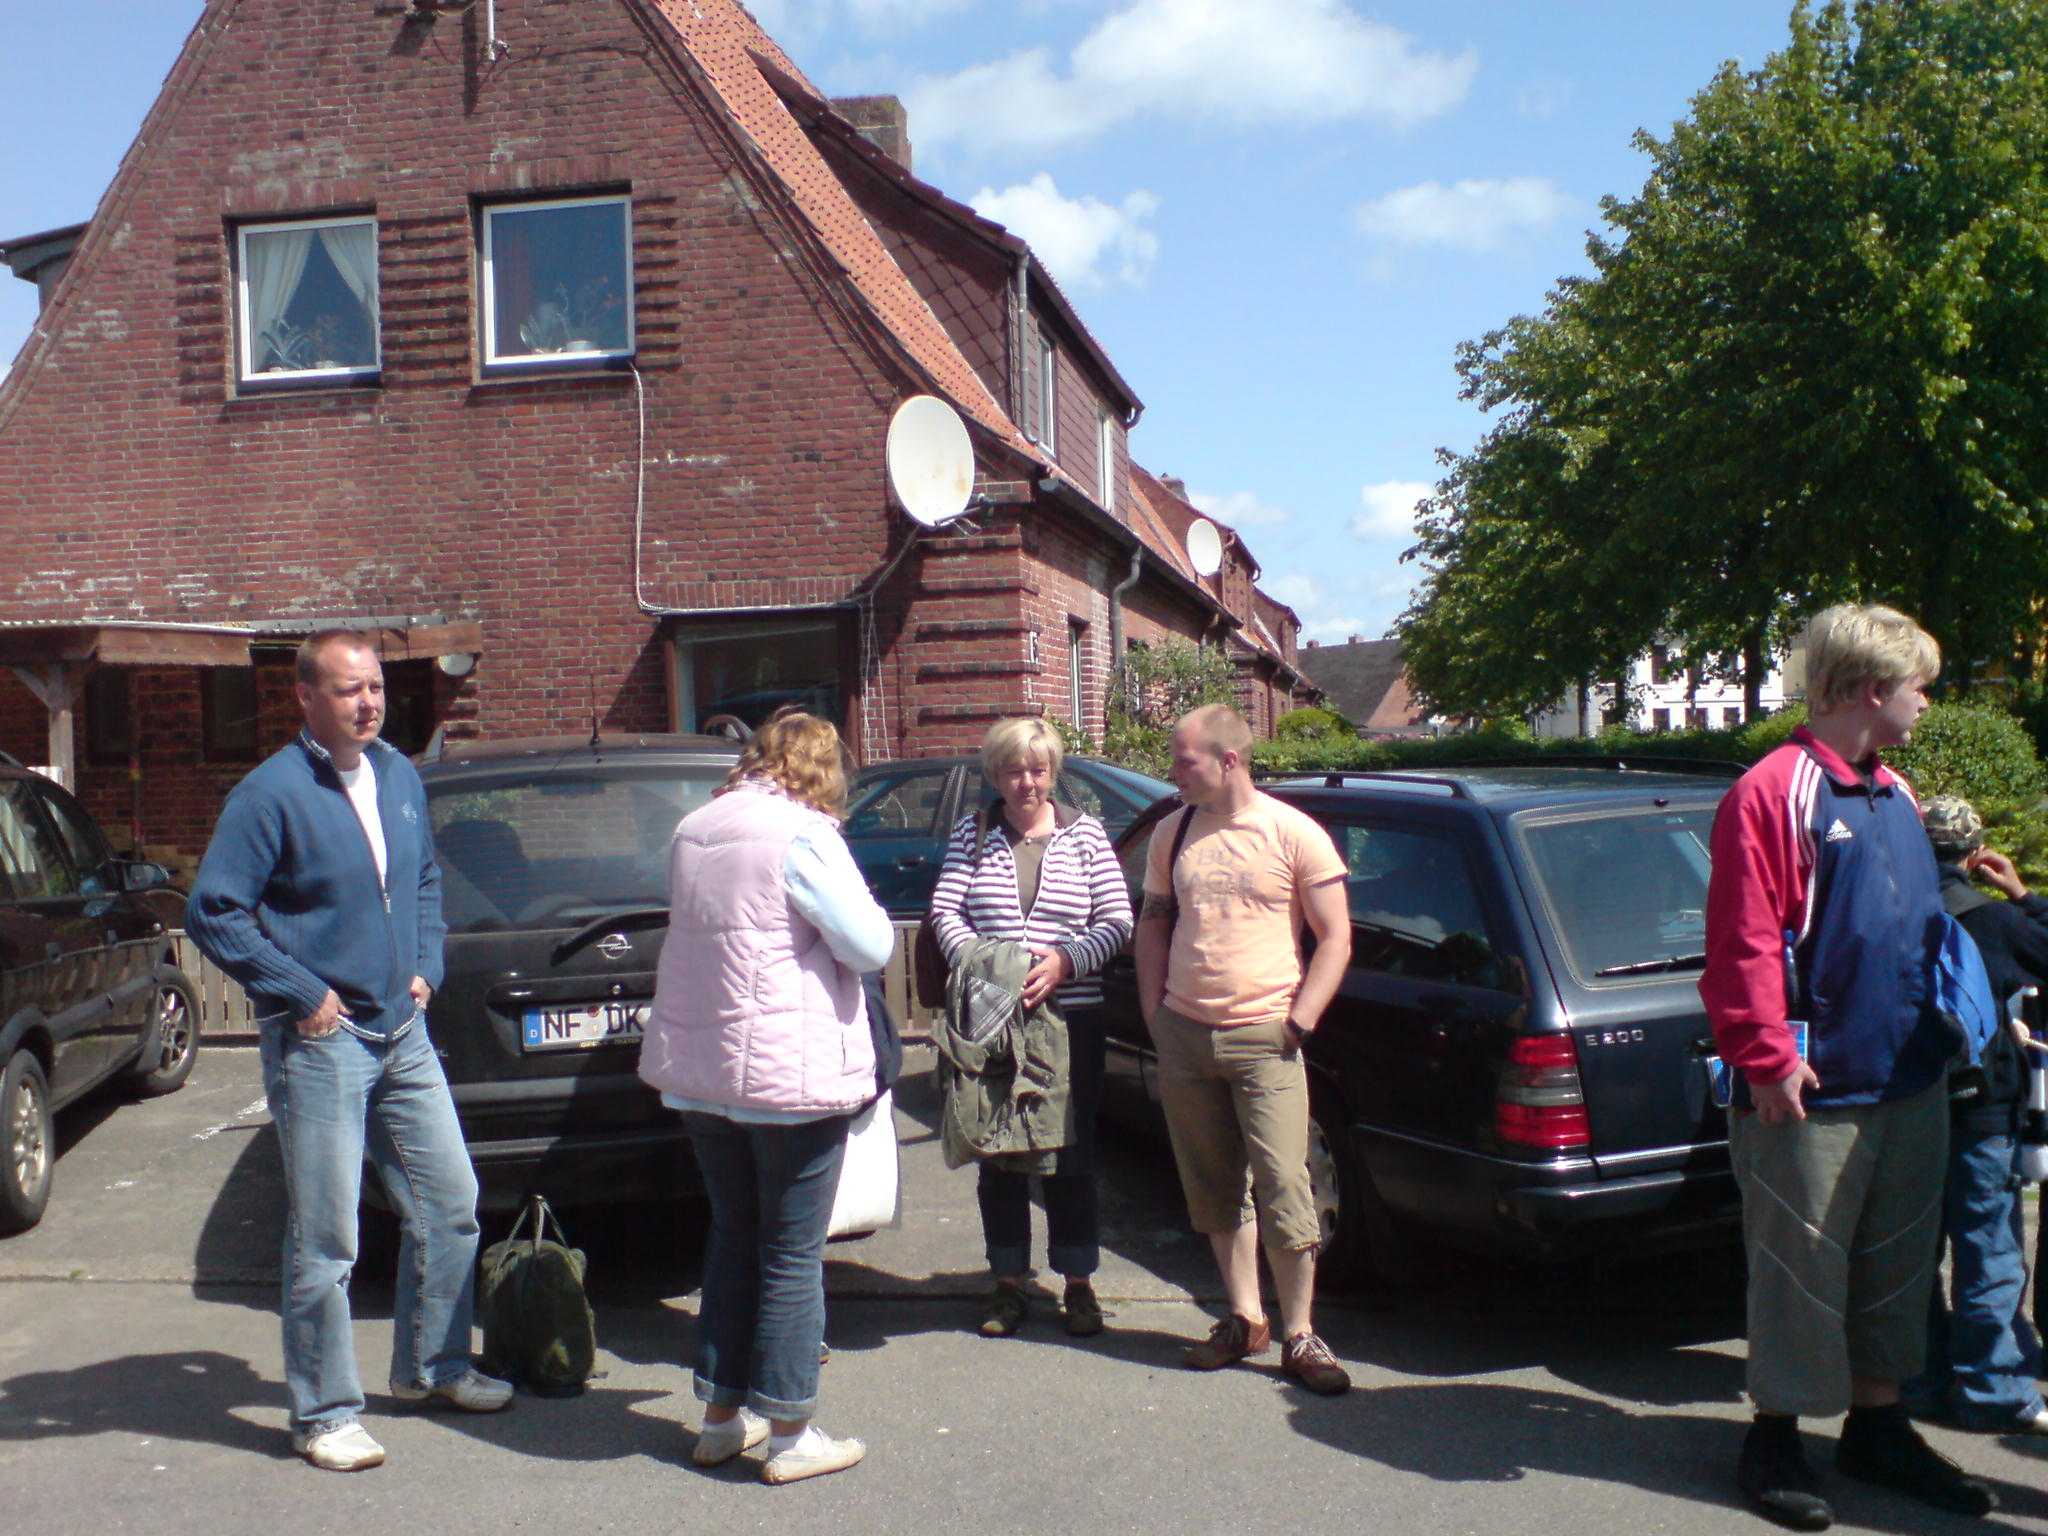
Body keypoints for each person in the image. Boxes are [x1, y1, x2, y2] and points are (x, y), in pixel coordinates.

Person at [187, 629, 510, 1474]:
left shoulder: (398, 774)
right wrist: (301, 991)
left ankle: (433, 1367)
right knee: (328, 1239)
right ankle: (324, 1413)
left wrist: (427, 963)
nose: (368, 704)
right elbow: (213, 911)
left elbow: (424, 879)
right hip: (323, 1044)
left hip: (403, 1032)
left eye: (375, 688)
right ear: (306, 698)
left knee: (451, 1204)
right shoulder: (270, 794)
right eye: (347, 690)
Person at [1700, 603, 1993, 1529]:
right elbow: (1743, 941)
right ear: (1871, 688)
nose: (1926, 703)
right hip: (1812, 1091)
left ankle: (1878, 1427)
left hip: (1908, 1079)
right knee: (1799, 1271)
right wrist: (1766, 1058)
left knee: (1897, 1270)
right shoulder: (1772, 791)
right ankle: (1776, 1434)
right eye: (1919, 687)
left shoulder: (1896, 792)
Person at [637, 711, 890, 1485]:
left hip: (704, 1074)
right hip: (787, 1078)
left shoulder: (694, 828)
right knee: (790, 1254)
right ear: (821, 768)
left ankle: (721, 1419)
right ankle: (790, 1434)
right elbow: (871, 945)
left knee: (733, 1236)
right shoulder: (804, 836)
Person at [1131, 703, 1353, 1395]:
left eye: (1184, 761)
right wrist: (1155, 1013)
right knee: (1212, 1184)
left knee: (1285, 1183)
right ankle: (1244, 1317)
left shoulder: (1293, 832)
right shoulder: (1174, 830)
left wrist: (1300, 1021)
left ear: (1229, 761)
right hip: (1186, 1034)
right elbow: (1152, 924)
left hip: (1267, 1037)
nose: (1173, 773)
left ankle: (1301, 1333)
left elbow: (1336, 937)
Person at [926, 716, 1133, 1339]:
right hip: (991, 1013)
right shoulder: (973, 832)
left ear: (1053, 773)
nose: (1027, 783)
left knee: (1070, 1151)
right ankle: (1008, 1282)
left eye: (1038, 770)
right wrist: (985, 966)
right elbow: (945, 910)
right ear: (996, 775)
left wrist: (1066, 961)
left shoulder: (1086, 834)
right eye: (1015, 771)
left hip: (1071, 1014)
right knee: (999, 1151)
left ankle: (1078, 1282)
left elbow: (1117, 920)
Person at [1906, 796, 2048, 1434]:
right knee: (1988, 1248)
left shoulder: (1892, 912)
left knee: (1912, 1254)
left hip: (1905, 1103)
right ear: (1973, 854)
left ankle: (1917, 1380)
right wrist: (2022, 893)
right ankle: (1994, 1388)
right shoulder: (1993, 920)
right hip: (1983, 1107)